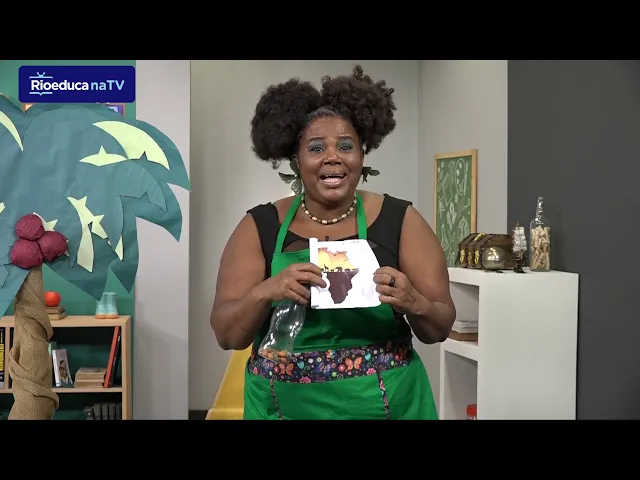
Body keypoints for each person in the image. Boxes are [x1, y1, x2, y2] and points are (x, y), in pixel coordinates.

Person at [210, 65, 456, 420]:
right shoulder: (259, 226)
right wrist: (267, 291)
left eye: (345, 146)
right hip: (281, 410)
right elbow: (227, 335)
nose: (332, 157)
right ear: (296, 160)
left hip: (390, 407)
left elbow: (440, 327)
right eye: (316, 148)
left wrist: (414, 302)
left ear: (362, 155)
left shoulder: (402, 221)